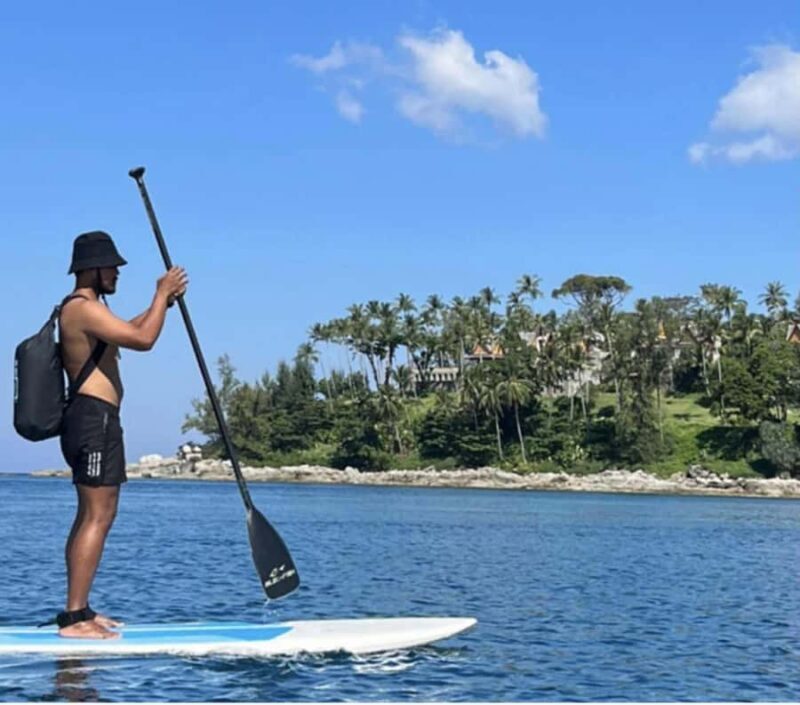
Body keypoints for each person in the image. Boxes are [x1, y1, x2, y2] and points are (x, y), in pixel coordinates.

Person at [55, 231, 188, 639]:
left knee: (90, 516)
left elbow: (129, 330)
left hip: (92, 420)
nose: (116, 272)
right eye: (111, 266)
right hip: (95, 422)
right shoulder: (81, 308)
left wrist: (160, 304)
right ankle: (75, 619)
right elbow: (144, 339)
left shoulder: (88, 310)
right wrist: (160, 292)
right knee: (99, 514)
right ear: (92, 269)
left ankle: (79, 612)